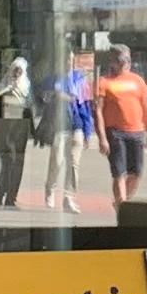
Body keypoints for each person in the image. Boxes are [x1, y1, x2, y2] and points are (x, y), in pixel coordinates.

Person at [91, 42, 147, 206]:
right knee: (119, 173)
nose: (124, 64)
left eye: (126, 60)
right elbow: (98, 111)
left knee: (136, 174)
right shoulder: (104, 82)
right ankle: (122, 205)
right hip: (115, 133)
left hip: (137, 131)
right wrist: (102, 138)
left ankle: (121, 202)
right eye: (120, 60)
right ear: (113, 61)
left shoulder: (138, 81)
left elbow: (146, 108)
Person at [0, 56, 39, 208]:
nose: (17, 74)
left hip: (20, 131)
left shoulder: (26, 90)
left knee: (17, 164)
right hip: (4, 132)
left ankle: (11, 198)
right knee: (8, 162)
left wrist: (35, 132)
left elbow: (29, 112)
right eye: (15, 70)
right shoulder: (2, 90)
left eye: (20, 71)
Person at [54, 50, 95, 215]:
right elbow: (52, 97)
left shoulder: (80, 81)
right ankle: (50, 188)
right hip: (59, 126)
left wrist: (87, 132)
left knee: (73, 164)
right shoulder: (56, 79)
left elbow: (85, 107)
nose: (68, 63)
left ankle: (68, 198)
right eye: (65, 59)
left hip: (76, 125)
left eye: (71, 60)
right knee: (57, 163)